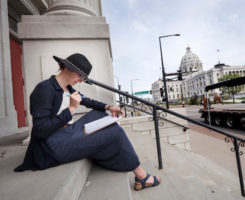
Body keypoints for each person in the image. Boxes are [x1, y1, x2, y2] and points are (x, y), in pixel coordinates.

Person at [14, 53, 161, 191]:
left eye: (84, 77)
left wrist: (108, 107)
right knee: (114, 132)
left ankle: (107, 156)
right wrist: (71, 109)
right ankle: (142, 177)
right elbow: (40, 131)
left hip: (63, 133)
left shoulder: (68, 88)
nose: (81, 80)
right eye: (80, 75)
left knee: (100, 114)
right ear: (66, 67)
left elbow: (88, 101)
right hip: (50, 147)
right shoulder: (45, 89)